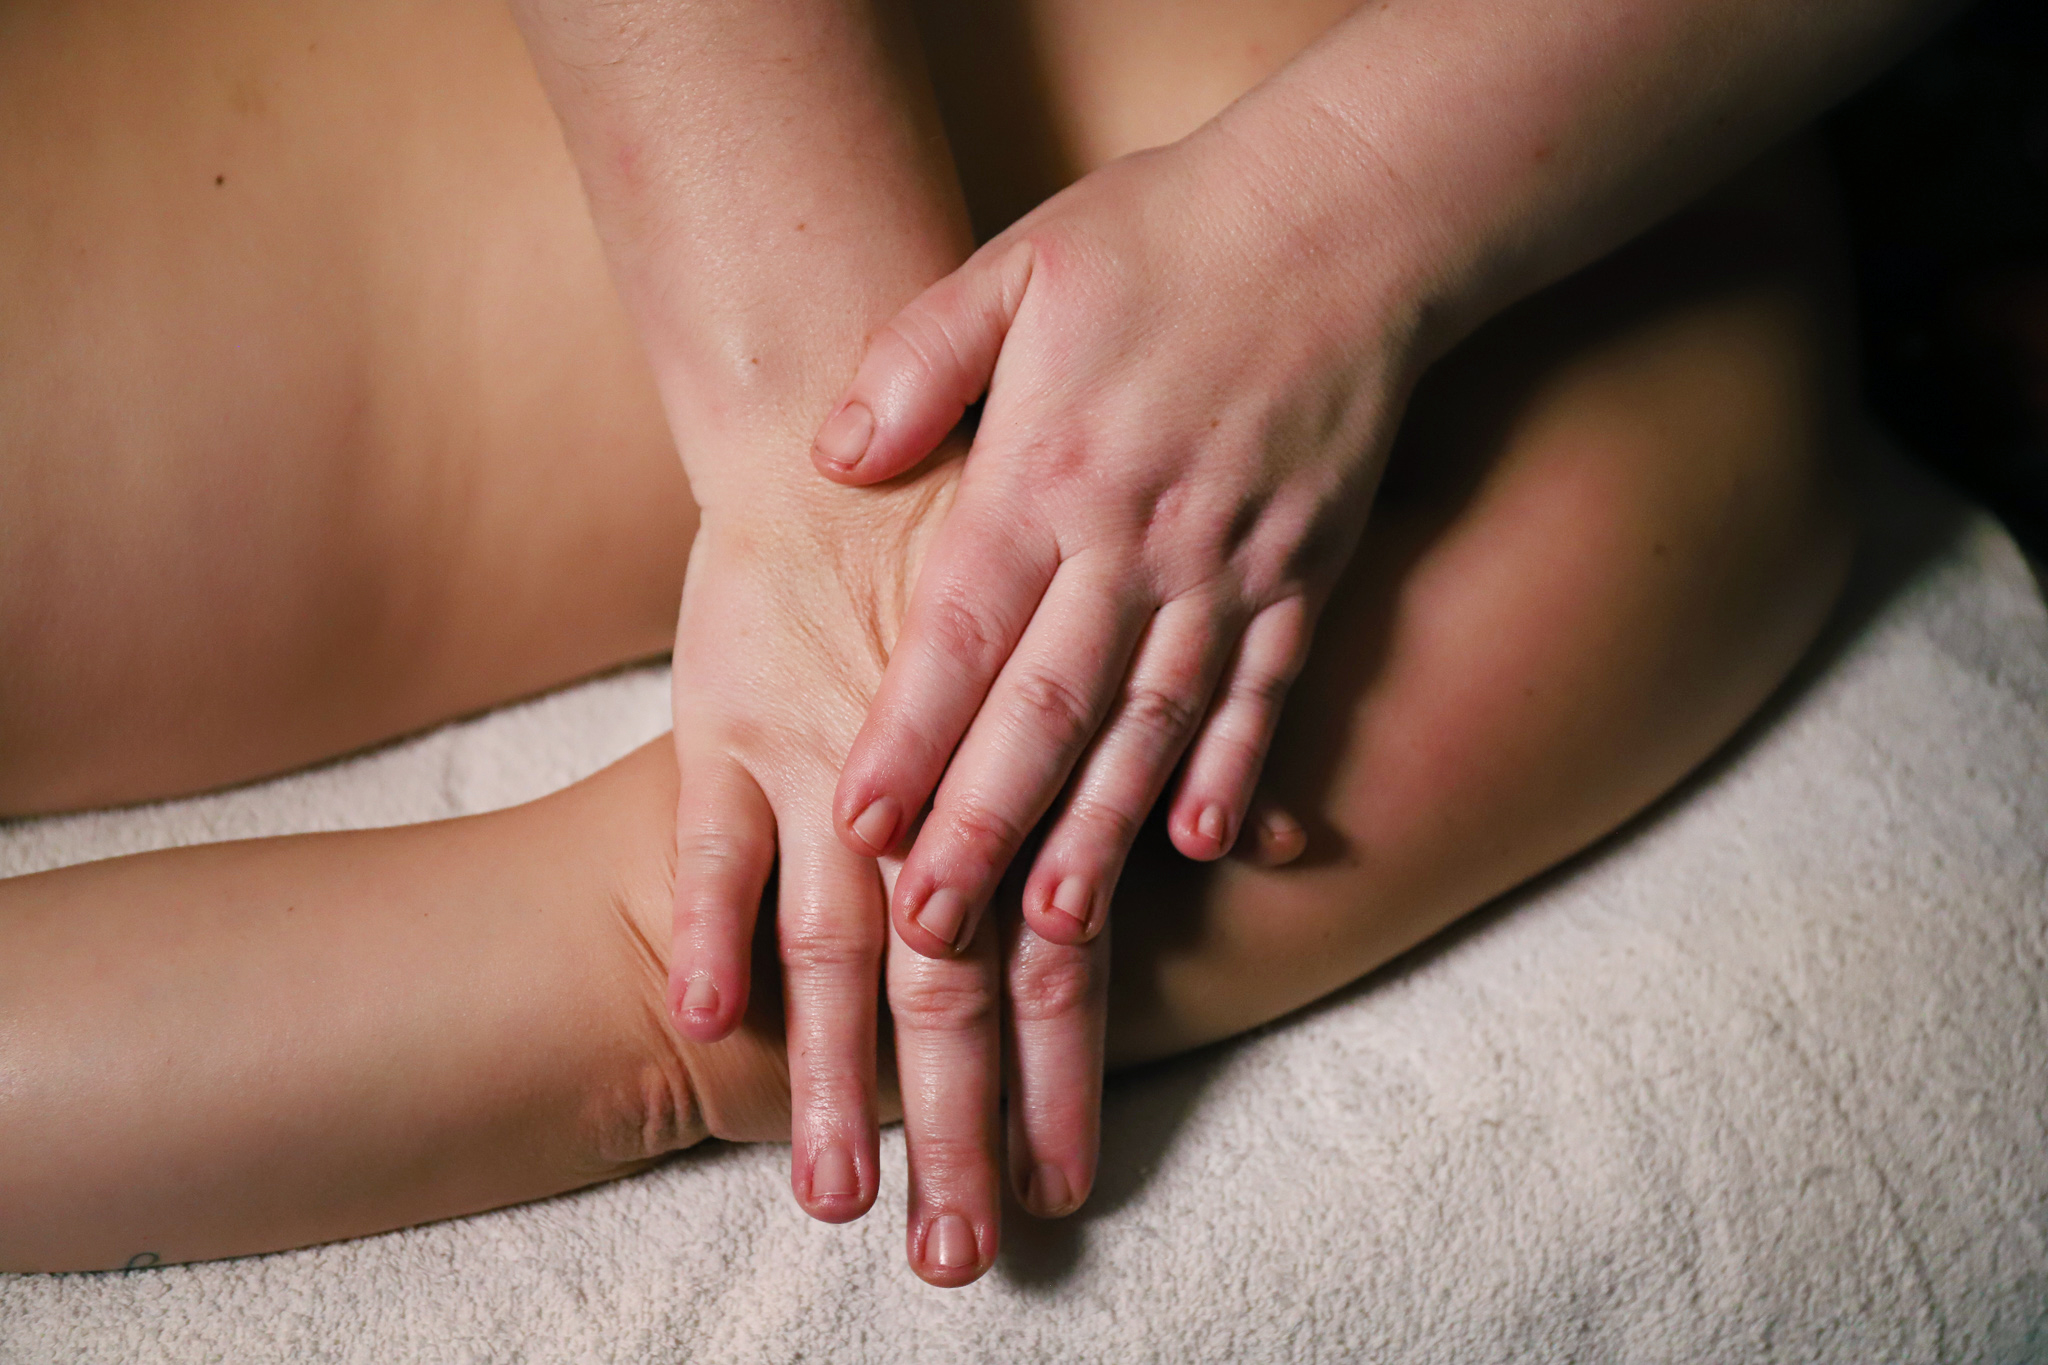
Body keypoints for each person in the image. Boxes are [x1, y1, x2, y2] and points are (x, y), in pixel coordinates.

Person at [0, 0, 1931, 1282]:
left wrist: (829, 452)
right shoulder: (1693, 485)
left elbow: (675, 992)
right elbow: (639, 999)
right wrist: (817, 446)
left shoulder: (1679, 462)